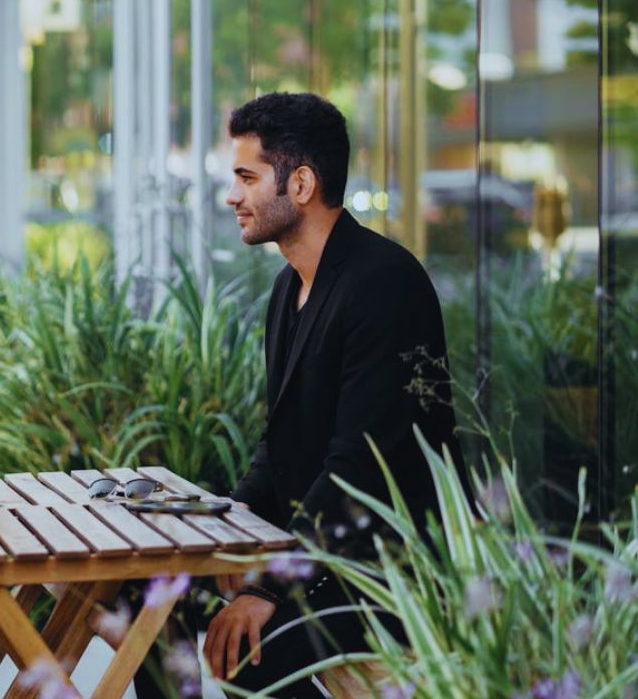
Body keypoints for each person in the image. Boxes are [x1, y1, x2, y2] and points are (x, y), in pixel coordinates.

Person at [135, 93, 462, 698]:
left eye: (246, 177)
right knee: (151, 598)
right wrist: (220, 539)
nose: (232, 196)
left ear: (302, 182)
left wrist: (266, 591)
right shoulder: (290, 289)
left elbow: (359, 470)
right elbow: (279, 452)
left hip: (382, 578)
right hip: (319, 554)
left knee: (254, 646)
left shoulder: (384, 284)